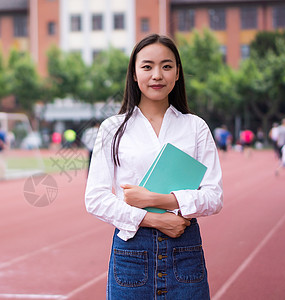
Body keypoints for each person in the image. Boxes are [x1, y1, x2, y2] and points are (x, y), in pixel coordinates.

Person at [85, 34, 223, 299]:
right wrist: (153, 219)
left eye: (167, 66)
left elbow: (214, 197)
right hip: (132, 253)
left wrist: (158, 199)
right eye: (147, 66)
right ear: (134, 74)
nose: (157, 75)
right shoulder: (113, 129)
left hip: (185, 252)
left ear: (178, 73)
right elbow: (95, 198)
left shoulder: (195, 127)